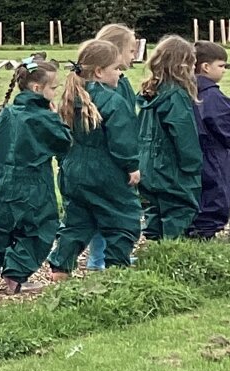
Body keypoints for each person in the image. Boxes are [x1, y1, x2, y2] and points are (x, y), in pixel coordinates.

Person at [0, 54, 68, 295]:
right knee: (39, 229)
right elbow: (64, 142)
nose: (55, 92)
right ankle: (15, 275)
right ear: (38, 88)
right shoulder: (43, 117)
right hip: (34, 184)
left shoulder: (6, 113)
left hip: (2, 182)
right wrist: (57, 118)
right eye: (53, 88)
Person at [49, 40, 140, 281]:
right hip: (105, 171)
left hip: (73, 169)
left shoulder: (70, 98)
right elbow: (122, 140)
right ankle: (116, 272)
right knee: (122, 219)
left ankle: (61, 270)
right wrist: (132, 166)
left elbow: (60, 136)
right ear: (99, 71)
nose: (120, 74)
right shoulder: (113, 101)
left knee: (77, 221)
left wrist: (64, 162)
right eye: (116, 69)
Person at [81, 24, 141, 271]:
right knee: (111, 211)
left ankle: (100, 256)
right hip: (109, 159)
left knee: (98, 210)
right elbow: (120, 125)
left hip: (97, 159)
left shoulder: (117, 82)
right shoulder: (111, 89)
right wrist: (131, 162)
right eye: (130, 50)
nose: (133, 56)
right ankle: (101, 258)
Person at [138, 37, 204, 241]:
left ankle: (154, 255)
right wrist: (194, 165)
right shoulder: (176, 96)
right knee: (178, 210)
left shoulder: (150, 93)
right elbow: (183, 134)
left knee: (154, 210)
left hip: (147, 165)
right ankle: (172, 255)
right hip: (171, 167)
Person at [189, 42, 230, 239]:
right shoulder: (212, 95)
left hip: (197, 152)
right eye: (221, 65)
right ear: (205, 67)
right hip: (214, 152)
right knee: (217, 191)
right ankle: (206, 235)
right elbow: (225, 127)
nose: (224, 70)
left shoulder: (187, 90)